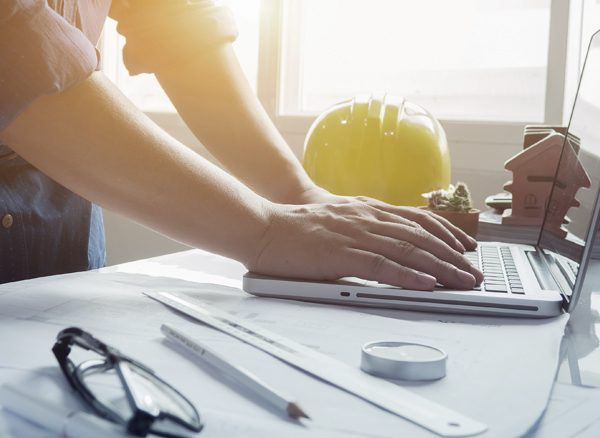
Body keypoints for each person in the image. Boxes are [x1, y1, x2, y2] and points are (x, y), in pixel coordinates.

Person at [0, 0, 483, 289]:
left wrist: (296, 193)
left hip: (65, 208)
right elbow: (15, 45)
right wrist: (263, 229)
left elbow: (178, 27)